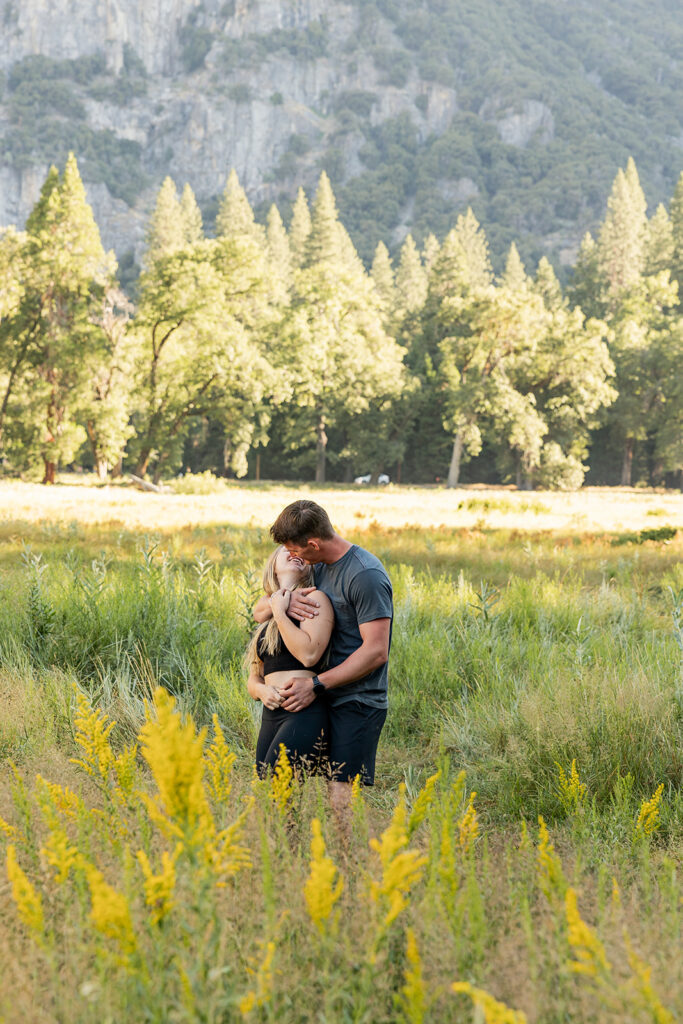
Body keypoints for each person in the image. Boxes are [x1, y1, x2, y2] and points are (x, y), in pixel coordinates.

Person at [254, 499, 393, 827]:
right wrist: (283, 601)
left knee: (340, 797)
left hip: (356, 699)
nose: (294, 557)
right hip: (319, 695)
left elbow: (376, 651)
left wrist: (315, 684)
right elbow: (258, 610)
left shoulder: (364, 575)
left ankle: (352, 871)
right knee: (284, 782)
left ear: (313, 544)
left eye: (295, 550)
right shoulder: (315, 565)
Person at [246, 545, 334, 776]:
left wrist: (280, 612)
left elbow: (309, 654)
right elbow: (255, 676)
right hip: (271, 713)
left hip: (304, 709)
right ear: (273, 566)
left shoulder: (314, 599)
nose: (295, 553)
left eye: (300, 552)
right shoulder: (266, 617)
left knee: (279, 786)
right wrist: (262, 691)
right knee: (267, 790)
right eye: (287, 549)